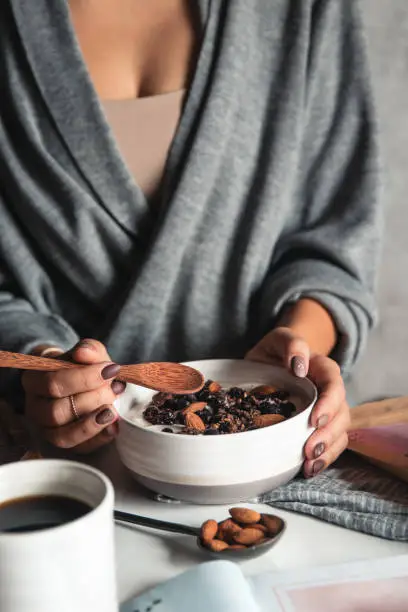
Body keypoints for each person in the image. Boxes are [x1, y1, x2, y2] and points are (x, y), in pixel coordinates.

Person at [0, 0, 381, 477]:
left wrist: (298, 351)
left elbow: (334, 238)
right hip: (73, 477)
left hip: (283, 455)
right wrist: (45, 368)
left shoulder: (298, 11)